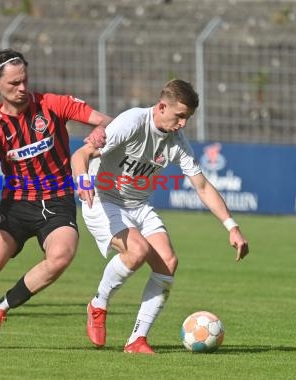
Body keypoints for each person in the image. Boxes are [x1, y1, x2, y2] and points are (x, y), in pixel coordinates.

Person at [0, 48, 112, 348]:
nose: (22, 88)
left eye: (24, 80)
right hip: (16, 205)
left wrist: (98, 132)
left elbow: (107, 120)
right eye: (14, 83)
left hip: (58, 200)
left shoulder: (52, 104)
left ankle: (0, 307)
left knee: (61, 256)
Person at [71, 79, 250, 354]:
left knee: (167, 262)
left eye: (187, 118)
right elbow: (81, 155)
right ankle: (98, 304)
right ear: (162, 106)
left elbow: (202, 186)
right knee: (138, 251)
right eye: (180, 116)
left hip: (139, 205)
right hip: (102, 200)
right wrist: (83, 183)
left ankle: (137, 340)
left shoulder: (177, 142)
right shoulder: (132, 122)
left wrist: (232, 226)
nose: (183, 124)